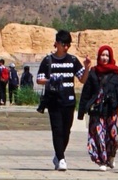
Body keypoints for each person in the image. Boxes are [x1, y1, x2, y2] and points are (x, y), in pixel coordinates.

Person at [35, 30, 84, 171]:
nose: (66, 47)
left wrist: (86, 68)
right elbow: (39, 79)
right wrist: (51, 80)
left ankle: (58, 154)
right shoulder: (48, 60)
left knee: (66, 131)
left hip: (69, 101)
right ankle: (61, 159)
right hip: (54, 101)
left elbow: (83, 79)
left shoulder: (73, 61)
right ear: (57, 44)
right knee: (57, 130)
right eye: (64, 44)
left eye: (68, 44)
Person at [78, 44, 118, 171]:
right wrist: (81, 112)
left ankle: (110, 156)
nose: (104, 58)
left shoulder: (116, 74)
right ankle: (102, 161)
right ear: (99, 57)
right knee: (99, 135)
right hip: (97, 110)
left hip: (112, 110)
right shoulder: (93, 73)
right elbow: (86, 92)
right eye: (102, 55)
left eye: (107, 55)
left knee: (112, 136)